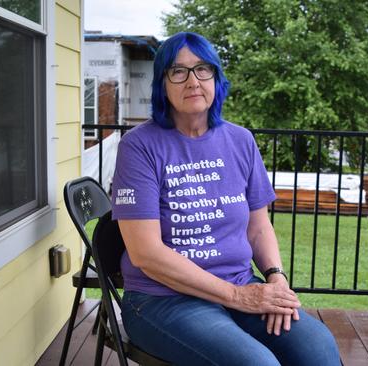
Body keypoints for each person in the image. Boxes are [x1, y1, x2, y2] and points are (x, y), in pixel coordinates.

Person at [111, 32, 340, 366]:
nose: (192, 80)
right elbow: (146, 254)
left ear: (216, 79)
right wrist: (238, 297)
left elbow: (259, 227)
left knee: (317, 346)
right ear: (162, 83)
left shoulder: (241, 140)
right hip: (162, 299)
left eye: (203, 69)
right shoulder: (139, 146)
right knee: (257, 364)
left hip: (239, 283)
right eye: (178, 71)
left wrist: (276, 279)